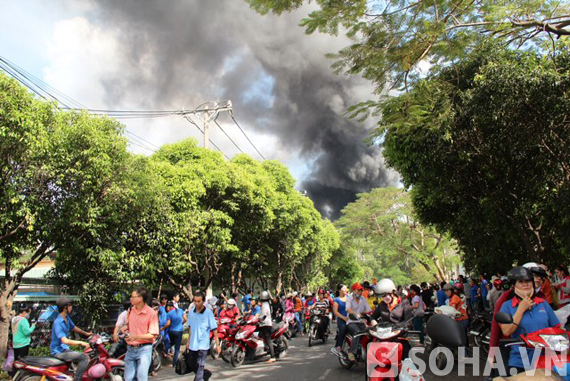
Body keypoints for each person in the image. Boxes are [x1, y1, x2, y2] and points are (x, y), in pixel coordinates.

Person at [499, 266, 560, 374]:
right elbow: (506, 331)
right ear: (514, 285)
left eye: (528, 281)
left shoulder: (543, 303)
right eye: (521, 281)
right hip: (519, 362)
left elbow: (557, 329)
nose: (525, 284)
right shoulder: (507, 306)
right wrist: (521, 309)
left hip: (545, 360)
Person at [50, 297, 92, 381]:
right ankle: (77, 379)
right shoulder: (58, 322)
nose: (71, 307)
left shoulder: (66, 318)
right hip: (59, 352)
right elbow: (64, 340)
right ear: (65, 307)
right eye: (70, 306)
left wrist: (87, 334)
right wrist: (82, 343)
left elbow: (74, 328)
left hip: (65, 349)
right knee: (84, 358)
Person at [124, 287, 160, 381]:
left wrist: (135, 337)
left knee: (141, 377)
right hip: (130, 349)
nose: (130, 299)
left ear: (140, 298)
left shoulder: (151, 313)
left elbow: (153, 335)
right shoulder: (130, 310)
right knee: (128, 378)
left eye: (133, 297)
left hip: (144, 349)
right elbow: (128, 325)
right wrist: (124, 328)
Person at [185, 292, 220, 381]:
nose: (196, 303)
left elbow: (214, 329)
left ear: (203, 301)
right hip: (193, 345)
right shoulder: (191, 312)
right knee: (192, 364)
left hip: (203, 345)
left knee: (200, 365)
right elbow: (190, 327)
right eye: (195, 301)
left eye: (199, 301)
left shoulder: (208, 313)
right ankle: (205, 374)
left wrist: (217, 344)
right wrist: (188, 341)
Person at [345, 282, 372, 362]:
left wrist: (372, 313)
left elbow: (368, 309)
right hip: (351, 321)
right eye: (358, 290)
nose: (360, 292)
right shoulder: (349, 298)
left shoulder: (363, 299)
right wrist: (356, 314)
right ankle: (352, 352)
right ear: (354, 290)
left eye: (361, 290)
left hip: (362, 322)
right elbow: (348, 309)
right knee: (357, 332)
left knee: (371, 332)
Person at [164, 301, 184, 367]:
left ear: (169, 307)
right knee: (177, 348)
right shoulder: (180, 311)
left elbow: (168, 324)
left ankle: (165, 351)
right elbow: (185, 319)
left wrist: (162, 328)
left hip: (171, 331)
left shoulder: (169, 313)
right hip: (179, 331)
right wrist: (181, 324)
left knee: (171, 342)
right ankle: (174, 363)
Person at [331, 284, 348, 357]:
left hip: (350, 318)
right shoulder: (336, 300)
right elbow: (336, 312)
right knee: (343, 329)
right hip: (341, 319)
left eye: (346, 289)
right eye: (344, 289)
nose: (346, 290)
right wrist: (343, 317)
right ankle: (337, 347)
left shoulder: (349, 298)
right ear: (340, 290)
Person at [259, 291, 276, 363]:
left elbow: (265, 314)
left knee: (268, 339)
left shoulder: (265, 304)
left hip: (266, 324)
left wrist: (261, 319)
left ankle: (273, 357)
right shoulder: (265, 304)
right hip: (264, 324)